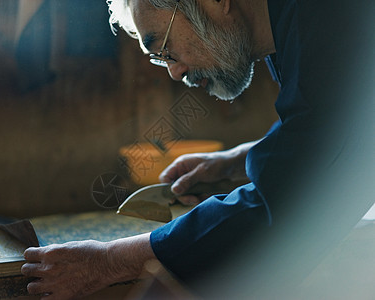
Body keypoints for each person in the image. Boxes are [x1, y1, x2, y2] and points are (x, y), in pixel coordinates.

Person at [21, 0, 375, 298]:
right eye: (161, 58)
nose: (174, 72)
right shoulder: (296, 25)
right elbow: (325, 126)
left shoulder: (325, 17)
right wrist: (239, 160)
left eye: (164, 46)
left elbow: (284, 207)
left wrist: (110, 260)